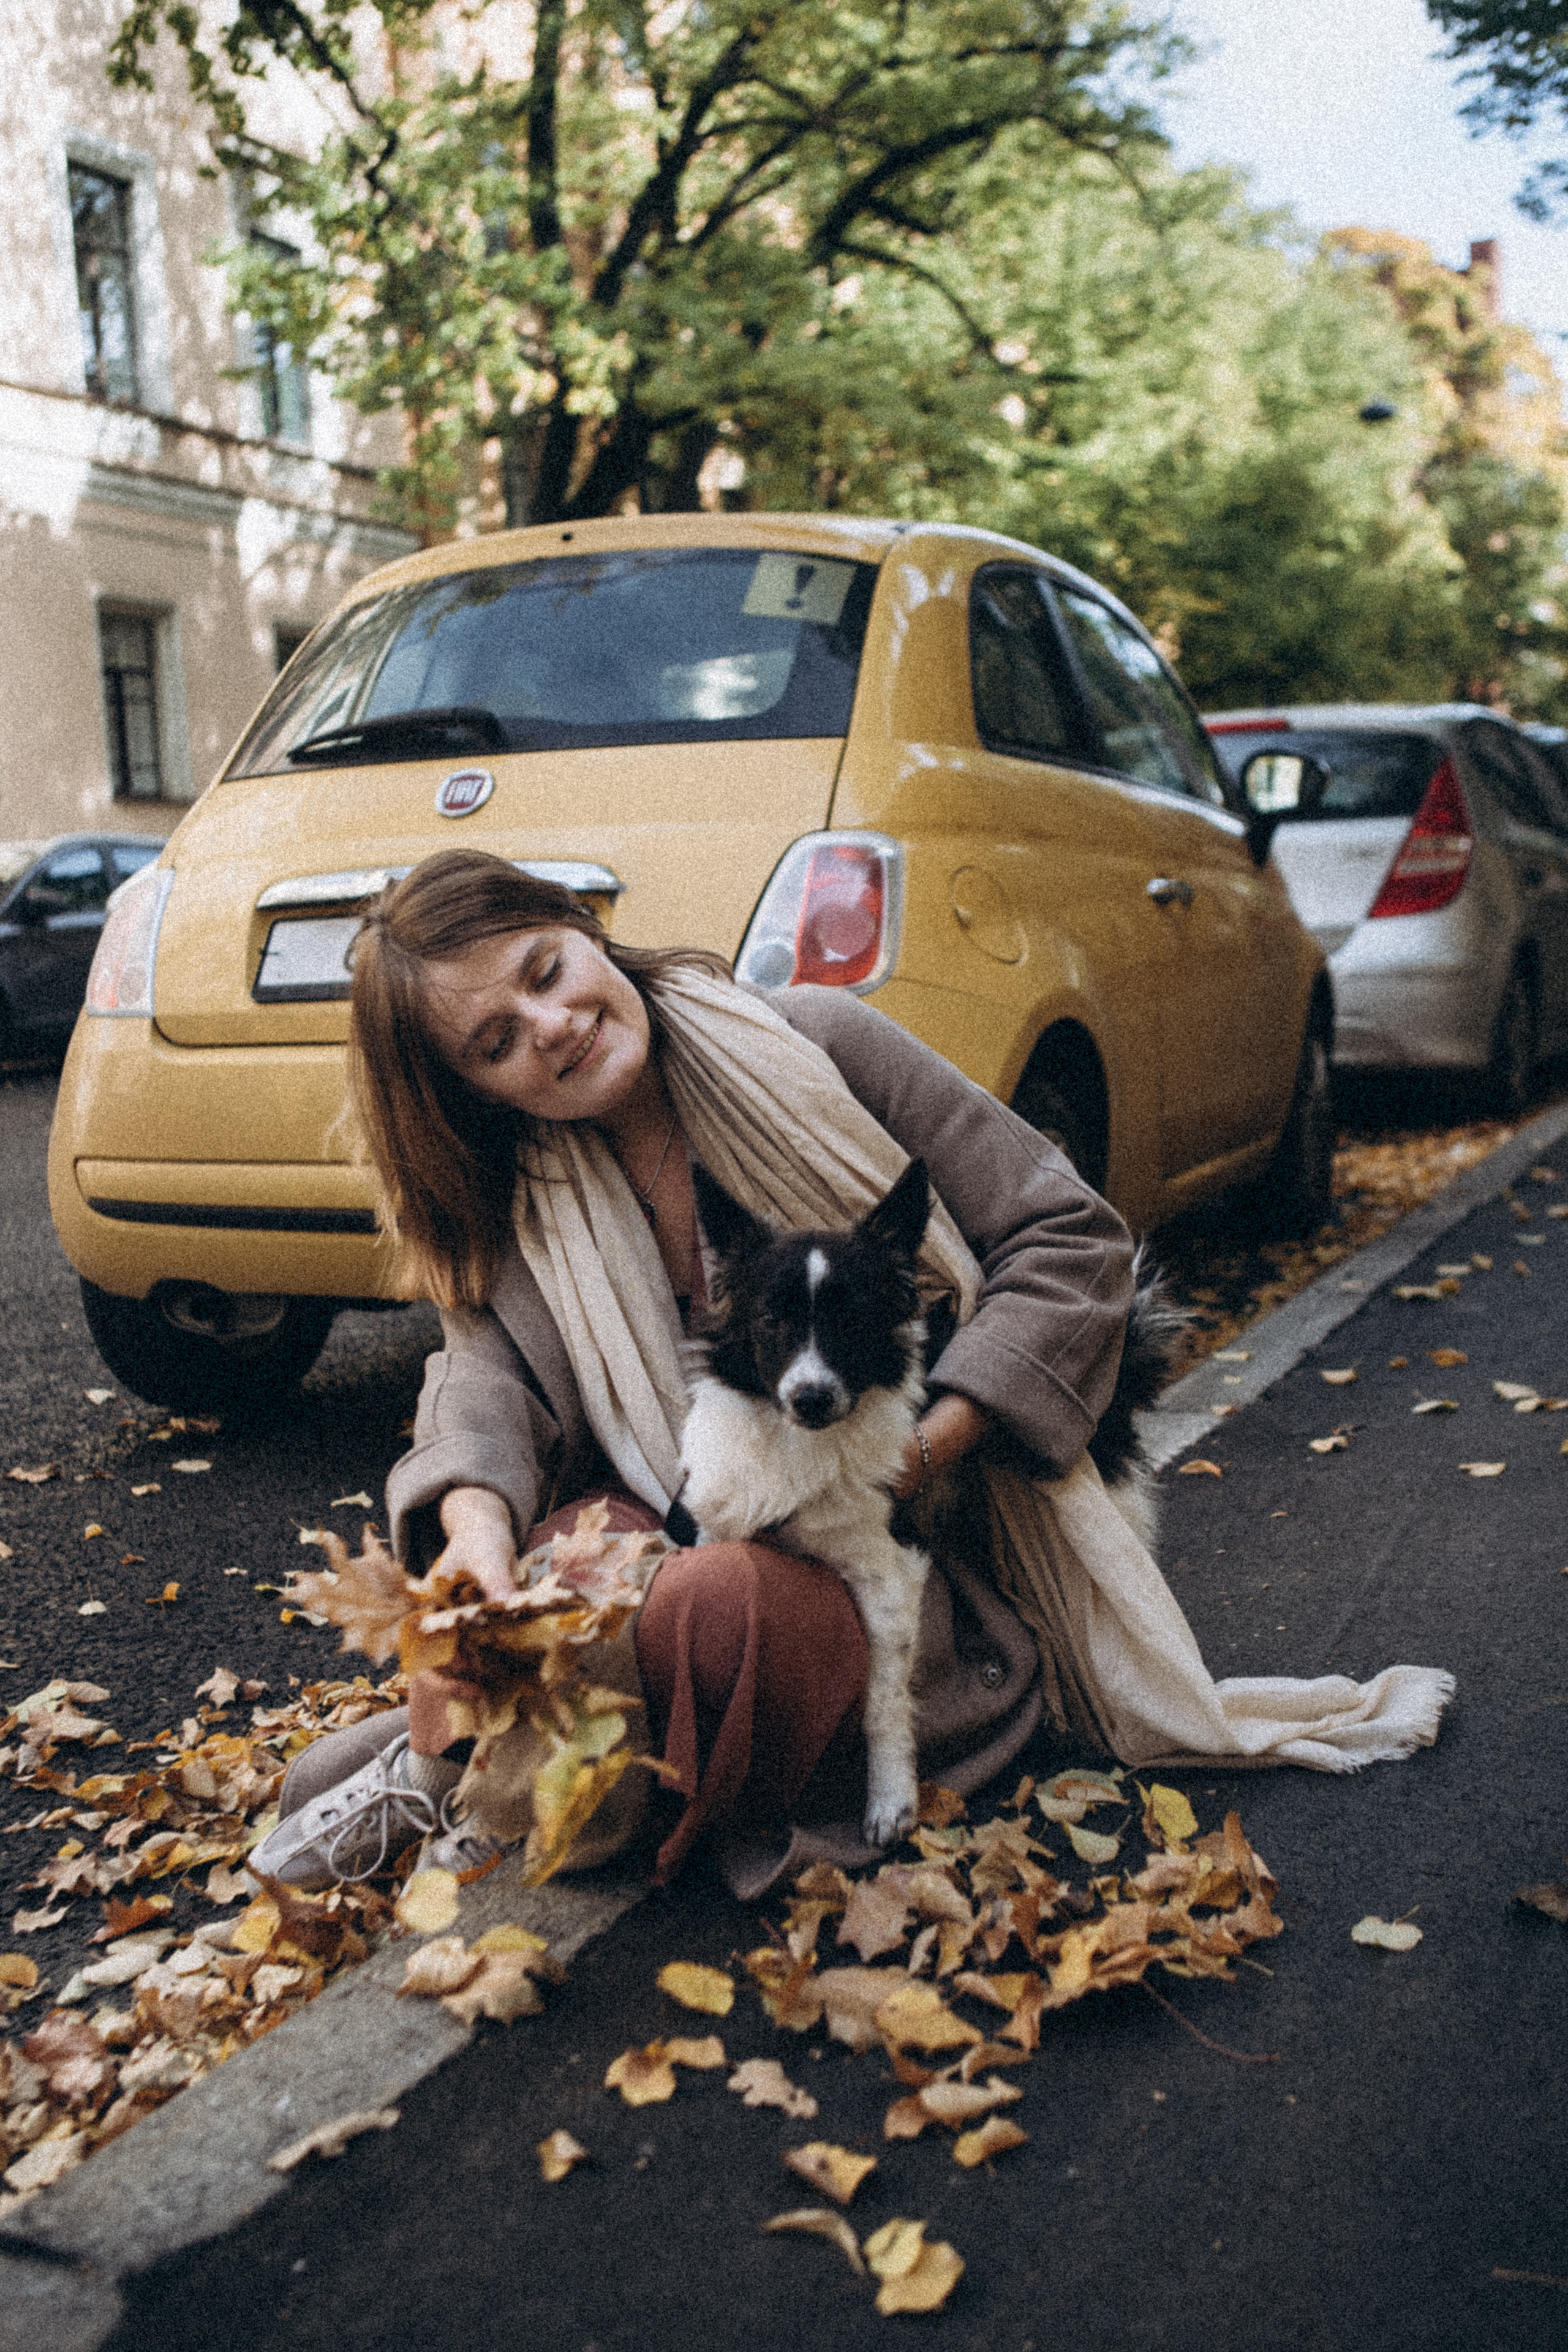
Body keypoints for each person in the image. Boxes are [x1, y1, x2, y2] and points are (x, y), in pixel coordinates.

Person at [252, 847, 1452, 1898]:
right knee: (541, 1580)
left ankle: (499, 1773)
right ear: (472, 1090)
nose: (550, 1025)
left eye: (542, 971)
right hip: (676, 1514)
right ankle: (456, 1774)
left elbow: (1068, 1240)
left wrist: (927, 1443)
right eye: (496, 1042)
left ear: (581, 928)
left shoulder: (817, 1045)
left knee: (702, 1606)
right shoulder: (525, 1192)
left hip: (894, 1549)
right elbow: (480, 1385)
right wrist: (472, 1535)